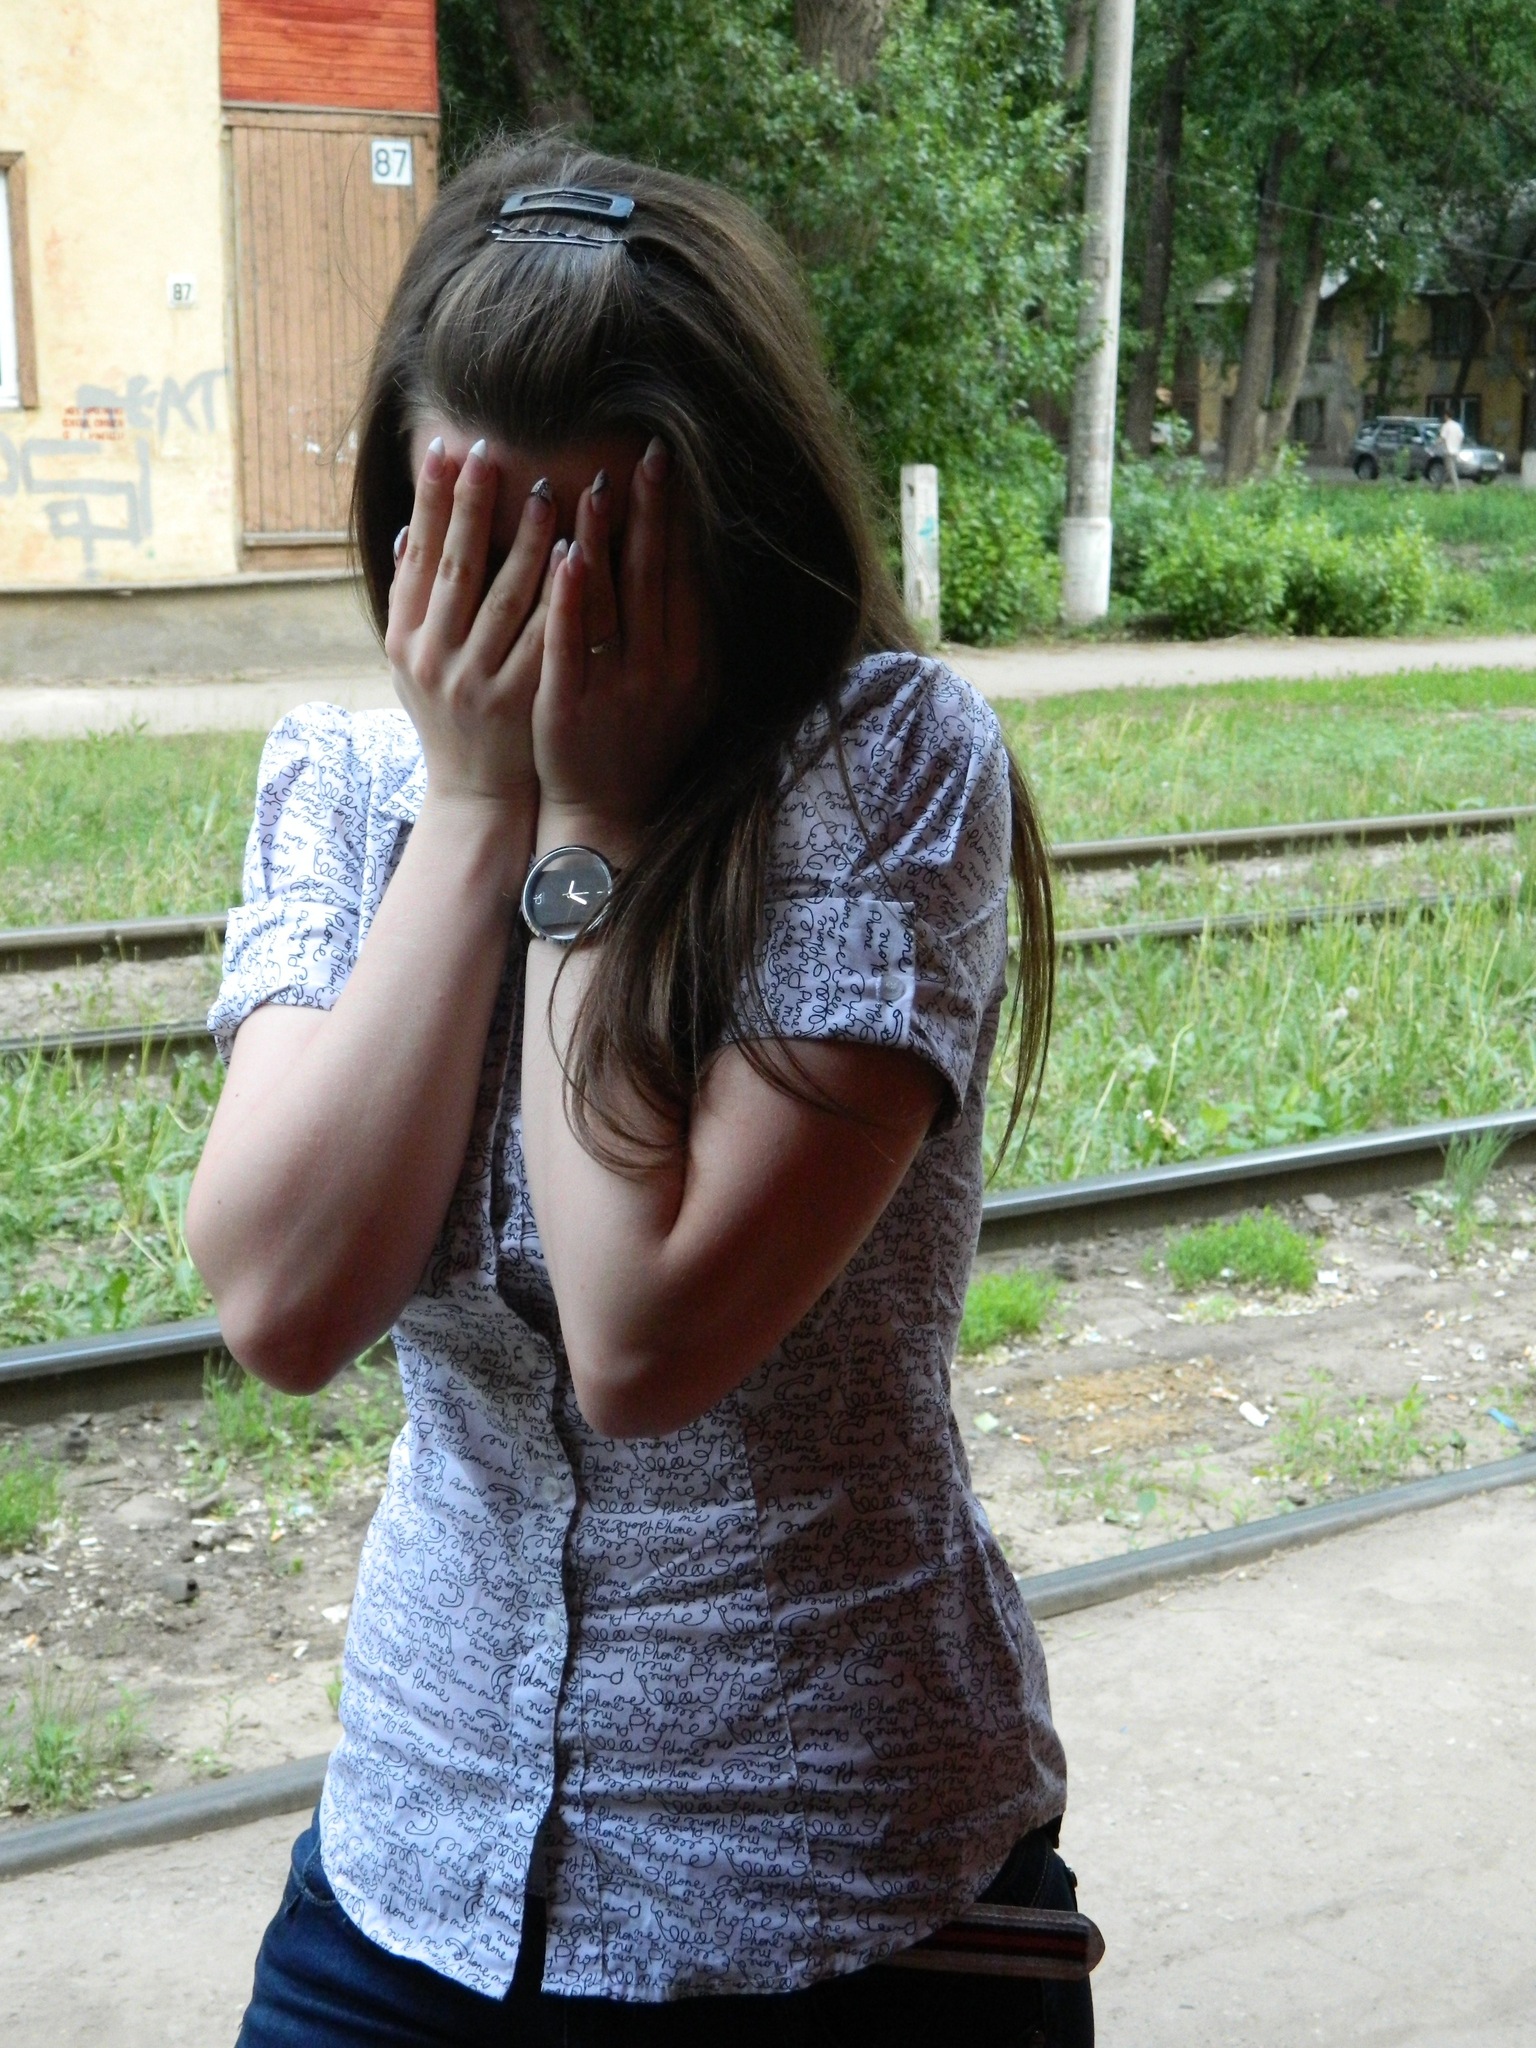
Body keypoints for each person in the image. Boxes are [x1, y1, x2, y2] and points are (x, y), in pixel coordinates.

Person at [187, 138, 1089, 2048]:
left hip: (830, 1900)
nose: (532, 618)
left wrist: (582, 828)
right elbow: (281, 1302)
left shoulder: (884, 768)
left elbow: (644, 1332)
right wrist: (473, 805)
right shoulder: (348, 784)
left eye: (592, 550)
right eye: (474, 544)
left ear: (726, 530)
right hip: (408, 1874)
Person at [1434, 406, 1464, 490]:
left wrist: (1435, 443)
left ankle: (1457, 489)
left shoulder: (1446, 426)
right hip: (1455, 451)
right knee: (1447, 470)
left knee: (1451, 471)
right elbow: (1461, 437)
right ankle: (1438, 488)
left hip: (1448, 451)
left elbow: (1442, 438)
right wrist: (1458, 446)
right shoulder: (1457, 426)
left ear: (1446, 416)